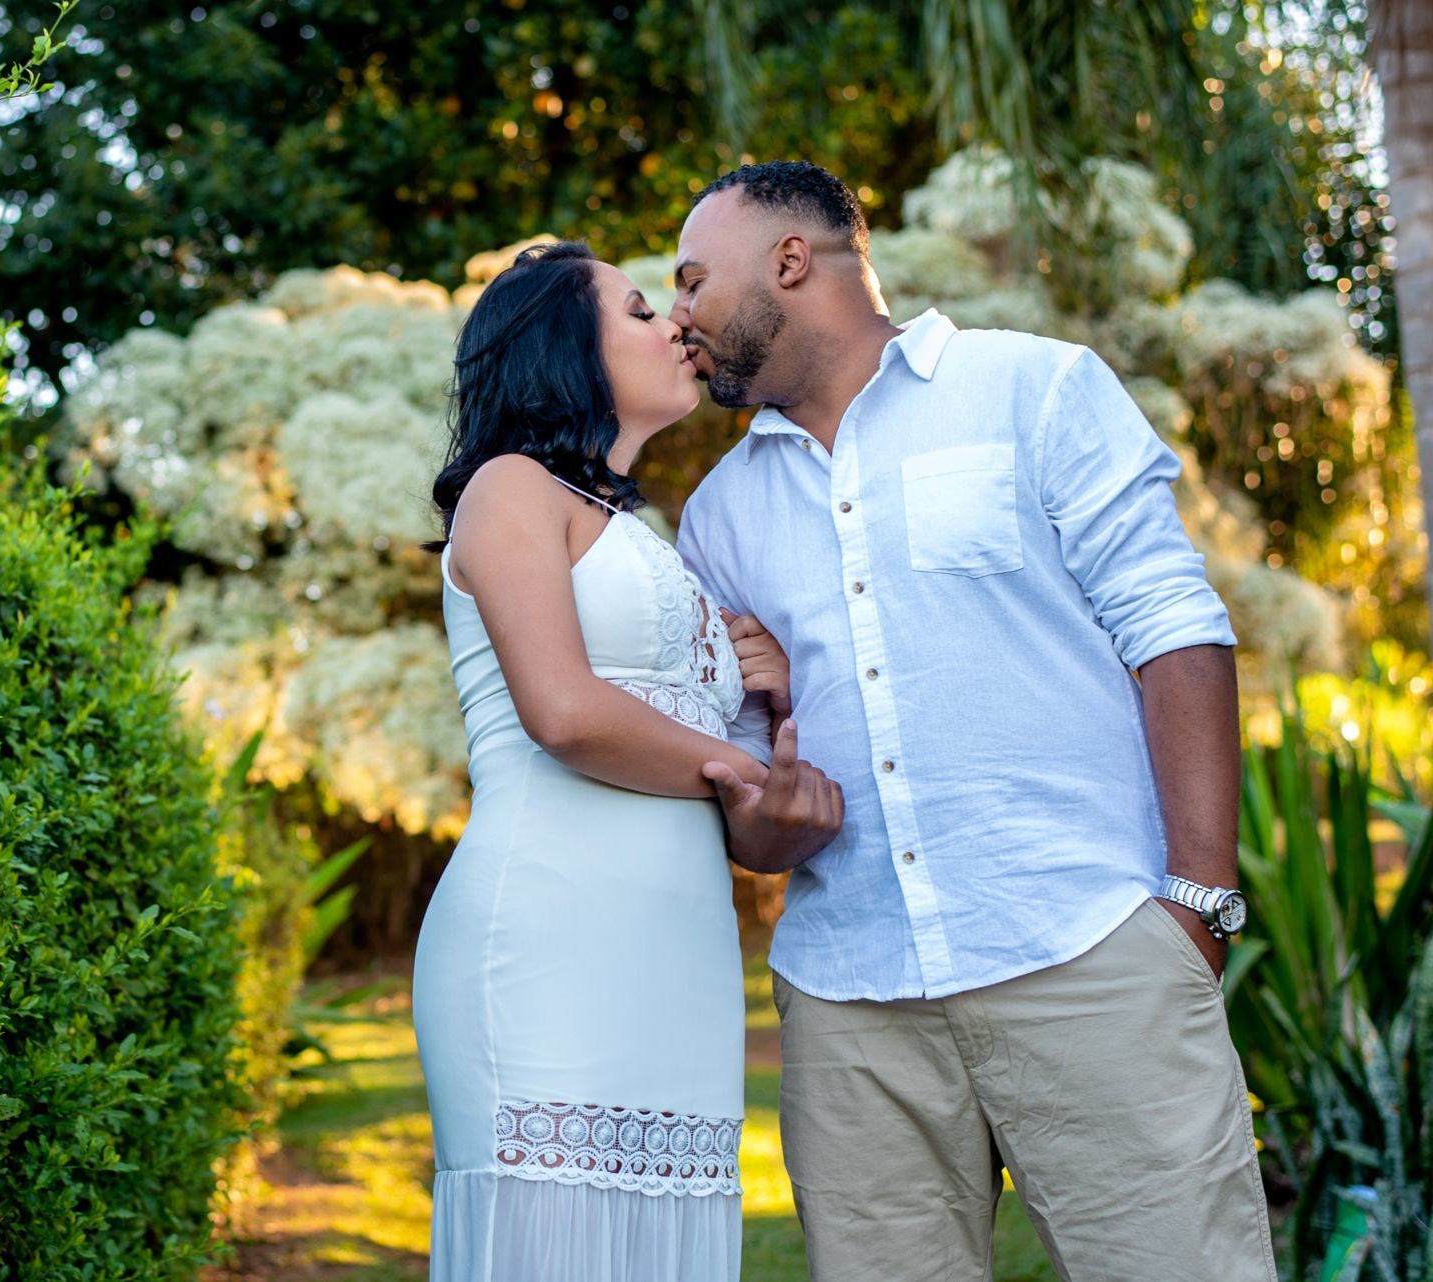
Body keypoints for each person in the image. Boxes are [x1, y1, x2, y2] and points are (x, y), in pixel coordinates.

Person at [670, 160, 1277, 1281]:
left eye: (695, 281)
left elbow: (1174, 625)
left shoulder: (1034, 389)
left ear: (791, 262)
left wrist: (1194, 902)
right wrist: (776, 821)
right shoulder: (716, 519)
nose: (679, 318)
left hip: (1085, 948)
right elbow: (750, 805)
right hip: (850, 1004)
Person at [411, 240, 842, 1282]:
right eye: (644, 311)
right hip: (547, 949)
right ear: (565, 352)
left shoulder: (655, 546)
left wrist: (770, 706)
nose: (677, 328)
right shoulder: (509, 490)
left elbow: (731, 810)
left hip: (678, 970)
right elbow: (563, 711)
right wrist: (737, 768)